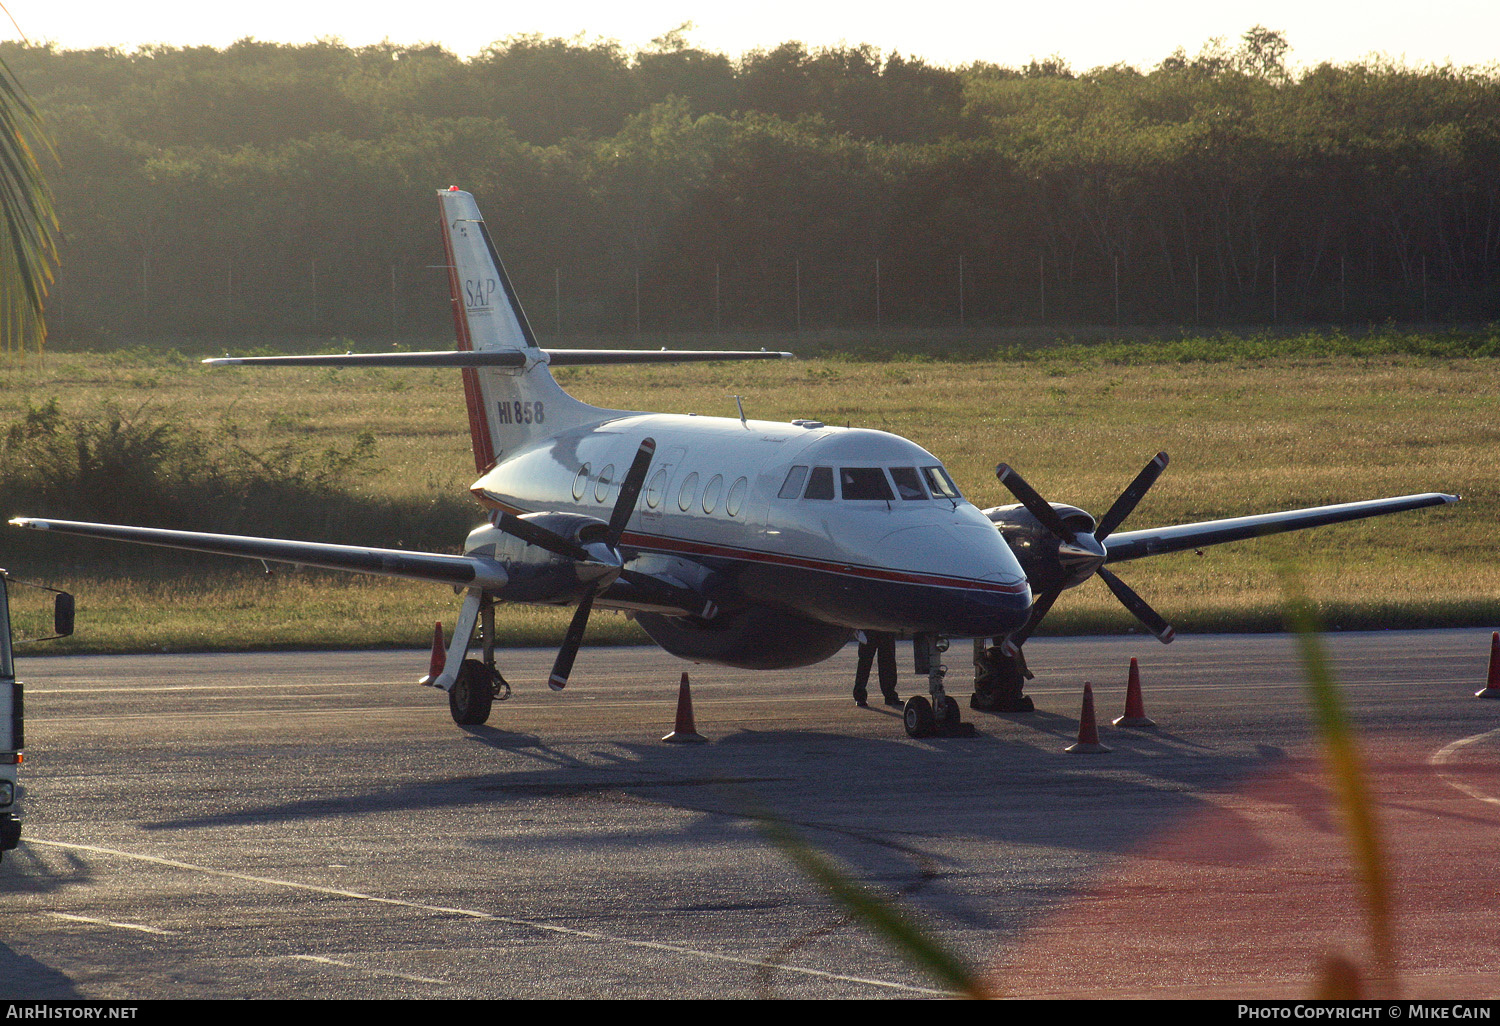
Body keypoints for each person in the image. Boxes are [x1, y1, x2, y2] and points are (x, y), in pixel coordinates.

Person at [853, 630, 900, 707]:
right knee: (865, 662)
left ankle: (890, 695)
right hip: (868, 627)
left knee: (888, 662)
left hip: (885, 628)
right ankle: (860, 696)